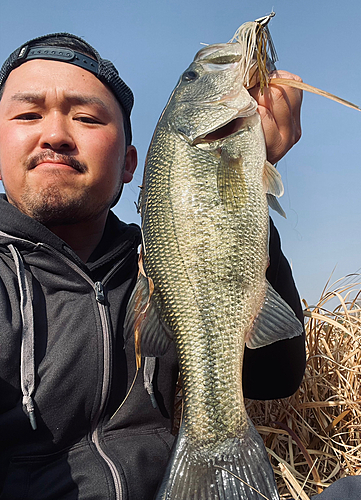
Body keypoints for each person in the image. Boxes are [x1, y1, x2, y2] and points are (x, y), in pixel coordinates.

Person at [0, 33, 305, 499]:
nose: (56, 135)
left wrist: (244, 190)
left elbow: (275, 378)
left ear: (129, 164)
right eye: (27, 114)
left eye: (85, 118)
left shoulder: (155, 260)